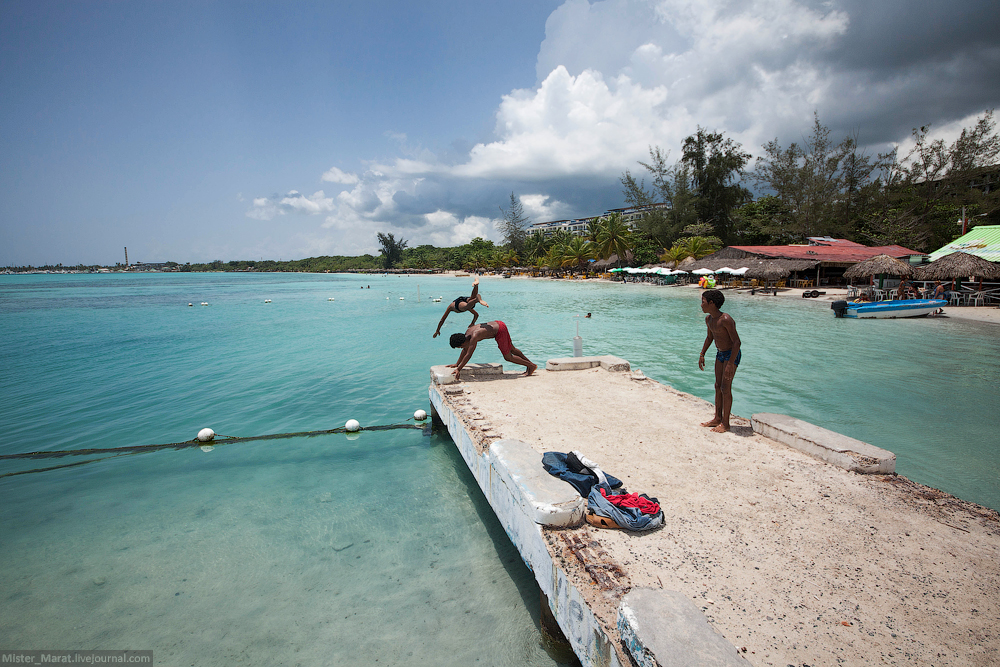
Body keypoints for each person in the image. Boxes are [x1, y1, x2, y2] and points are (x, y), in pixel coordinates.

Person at [698, 289, 741, 433]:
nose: (701, 305)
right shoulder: (709, 319)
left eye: (703, 302)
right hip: (720, 353)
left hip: (731, 354)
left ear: (712, 303)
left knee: (725, 387)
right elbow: (710, 338)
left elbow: (736, 342)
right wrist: (702, 353)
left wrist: (730, 363)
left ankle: (726, 423)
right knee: (717, 386)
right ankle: (717, 418)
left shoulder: (726, 319)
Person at [448, 321, 536, 380]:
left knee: (508, 357)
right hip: (499, 323)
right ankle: (530, 365)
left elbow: (468, 354)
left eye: (459, 347)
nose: (461, 349)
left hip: (499, 331)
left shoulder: (474, 337)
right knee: (512, 349)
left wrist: (459, 369)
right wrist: (457, 363)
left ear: (462, 343)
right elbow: (465, 350)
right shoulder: (467, 333)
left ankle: (530, 365)